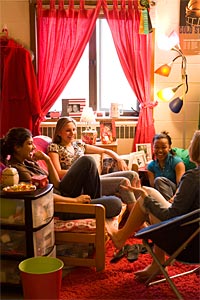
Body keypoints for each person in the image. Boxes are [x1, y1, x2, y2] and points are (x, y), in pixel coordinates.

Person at [106, 130, 200, 280]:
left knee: (146, 197)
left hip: (186, 243)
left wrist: (146, 199)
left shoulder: (193, 178)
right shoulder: (154, 166)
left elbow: (171, 216)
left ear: (195, 150)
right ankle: (156, 263)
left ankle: (120, 237)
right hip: (196, 239)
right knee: (148, 190)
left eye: (191, 144)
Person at [0, 127, 122, 219]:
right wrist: (75, 201)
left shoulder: (29, 162)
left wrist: (47, 160)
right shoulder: (17, 171)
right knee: (115, 203)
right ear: (17, 147)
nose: (33, 147)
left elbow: (57, 184)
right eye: (29, 143)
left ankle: (94, 205)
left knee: (88, 161)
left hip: (63, 194)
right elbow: (43, 197)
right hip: (59, 205)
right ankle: (94, 206)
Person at [47, 117, 140, 212]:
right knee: (88, 160)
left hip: (90, 180)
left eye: (74, 130)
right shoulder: (54, 147)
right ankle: (135, 219)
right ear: (59, 132)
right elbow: (58, 172)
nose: (72, 133)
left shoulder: (78, 145)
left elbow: (105, 150)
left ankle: (139, 213)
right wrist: (80, 171)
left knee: (132, 175)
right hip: (72, 185)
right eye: (68, 130)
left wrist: (119, 159)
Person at [147, 131, 185, 201]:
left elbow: (181, 186)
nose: (160, 151)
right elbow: (154, 189)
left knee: (159, 180)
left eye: (164, 147)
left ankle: (169, 208)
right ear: (153, 148)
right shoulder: (150, 166)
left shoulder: (177, 162)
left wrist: (173, 199)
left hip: (176, 196)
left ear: (169, 147)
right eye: (156, 147)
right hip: (160, 197)